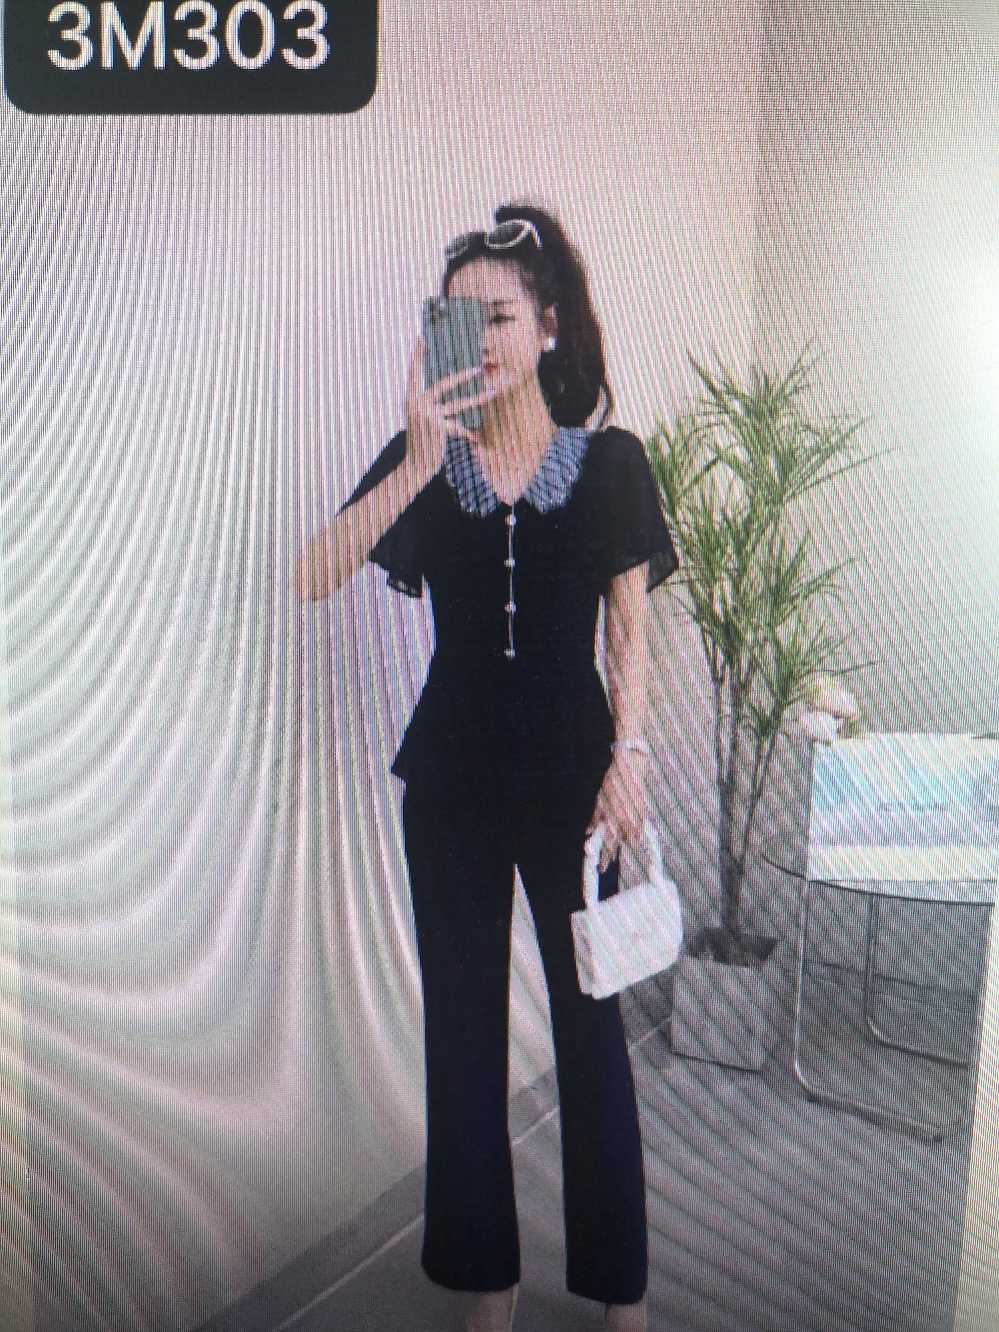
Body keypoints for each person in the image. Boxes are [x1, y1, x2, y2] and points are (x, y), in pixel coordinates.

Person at [297, 202, 678, 1332]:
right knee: (462, 1039)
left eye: (500, 315)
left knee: (592, 1033)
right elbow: (312, 573)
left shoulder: (608, 463)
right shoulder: (428, 464)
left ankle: (619, 1293)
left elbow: (630, 631)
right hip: (452, 790)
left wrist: (630, 755)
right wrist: (417, 455)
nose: (481, 337)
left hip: (575, 791)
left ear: (549, 325)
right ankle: (486, 1288)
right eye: (456, 318)